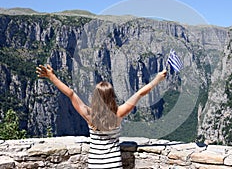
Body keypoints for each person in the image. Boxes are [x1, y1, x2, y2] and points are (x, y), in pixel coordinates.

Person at [36, 64, 167, 169]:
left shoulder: (90, 116)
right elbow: (140, 94)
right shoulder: (118, 114)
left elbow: (70, 94)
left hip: (95, 164)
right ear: (112, 97)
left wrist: (52, 77)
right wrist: (157, 79)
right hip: (114, 164)